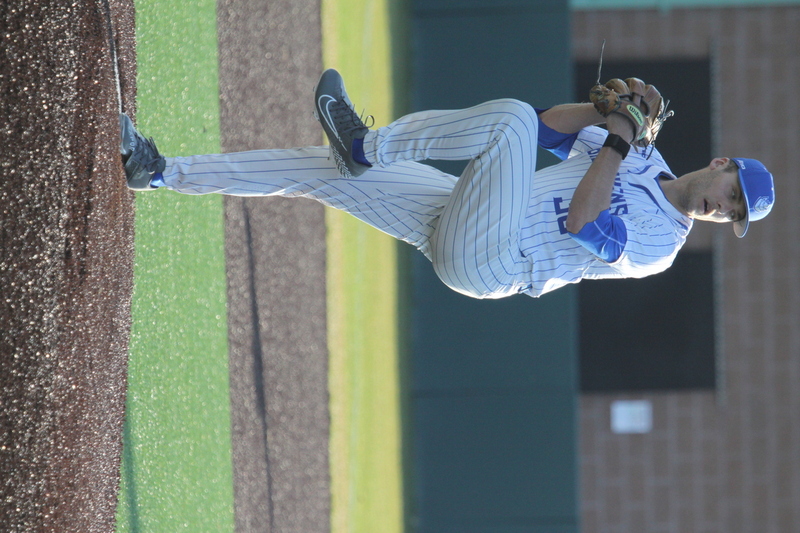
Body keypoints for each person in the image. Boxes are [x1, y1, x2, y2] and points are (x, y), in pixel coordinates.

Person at [119, 69, 775, 300]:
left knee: (508, 121)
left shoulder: (660, 247)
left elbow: (581, 220)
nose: (725, 208)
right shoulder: (643, 155)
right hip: (462, 212)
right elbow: (550, 129)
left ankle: (365, 145)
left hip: (494, 262)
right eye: (735, 191)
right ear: (721, 163)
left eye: (735, 214)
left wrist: (618, 138)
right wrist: (603, 109)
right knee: (316, 174)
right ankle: (159, 170)